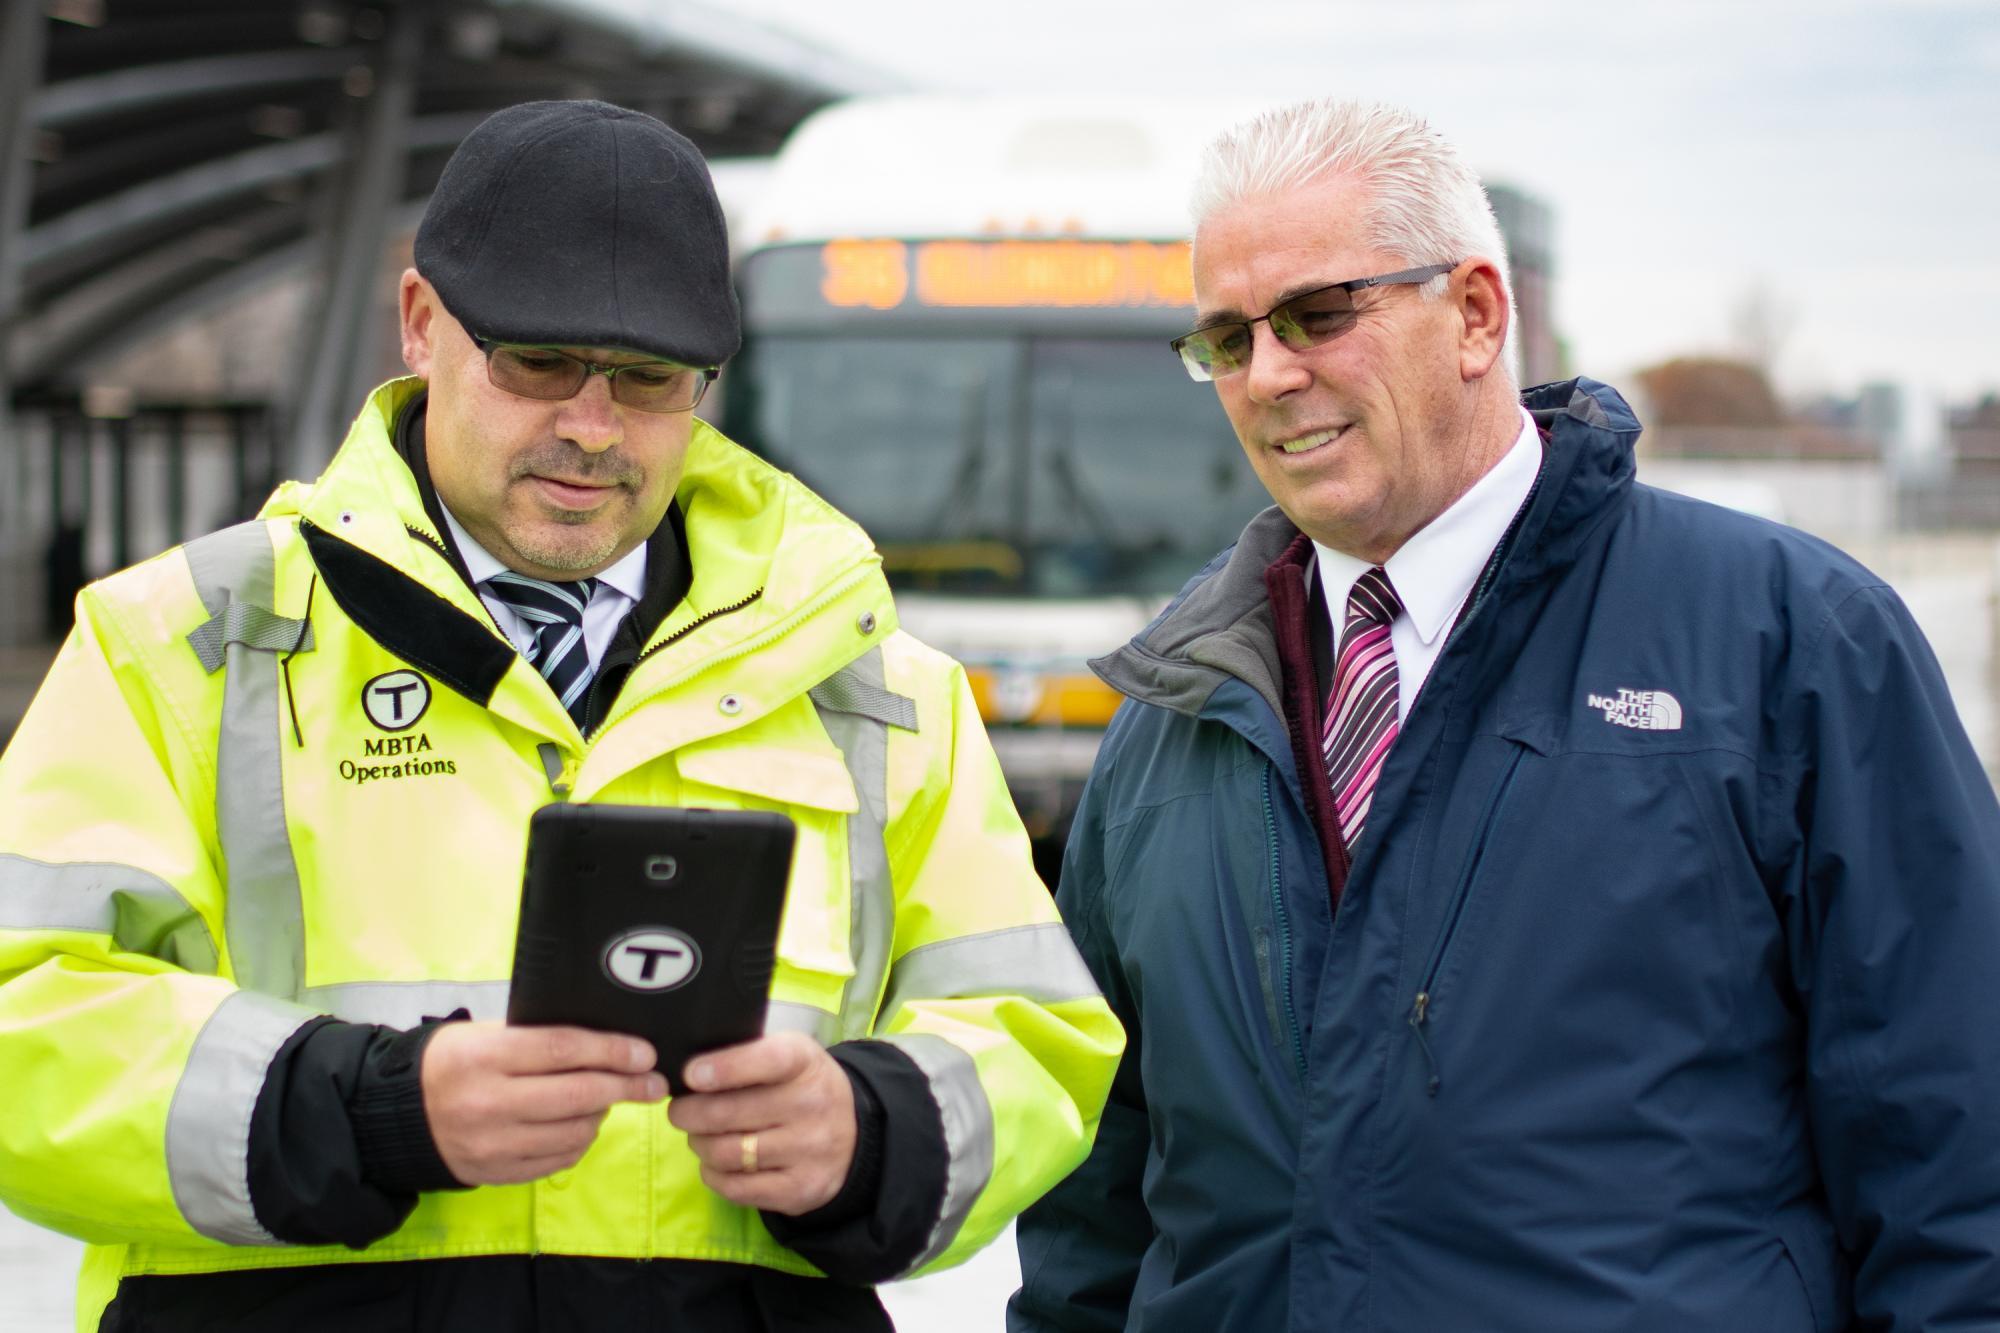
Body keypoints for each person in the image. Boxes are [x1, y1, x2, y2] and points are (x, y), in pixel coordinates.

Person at [0, 100, 1121, 1333]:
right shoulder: (182, 645)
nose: (591, 426)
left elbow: (1037, 1041)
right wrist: (374, 1108)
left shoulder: (879, 691)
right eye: (537, 361)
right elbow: (23, 1022)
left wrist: (868, 1130)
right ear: (423, 325)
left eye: (647, 379)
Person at [1010, 97, 2000, 1332]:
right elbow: (1090, 1222)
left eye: (1318, 315)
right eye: (1224, 338)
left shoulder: (1790, 641)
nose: (1268, 374)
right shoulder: (1175, 706)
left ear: (1475, 313)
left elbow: (1958, 1164)